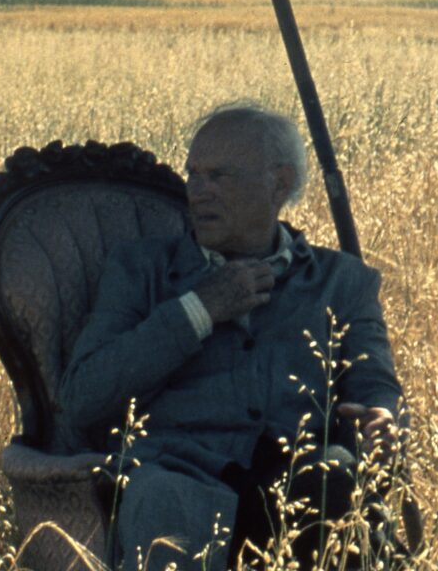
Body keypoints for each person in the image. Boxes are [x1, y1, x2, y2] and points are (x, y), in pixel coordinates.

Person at [56, 103, 405, 570]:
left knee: (339, 479)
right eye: (193, 174)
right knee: (163, 505)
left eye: (218, 176)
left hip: (299, 482)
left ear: (278, 184)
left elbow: (374, 386)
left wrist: (382, 416)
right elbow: (83, 396)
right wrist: (198, 310)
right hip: (180, 481)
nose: (197, 193)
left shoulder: (343, 282)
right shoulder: (140, 269)